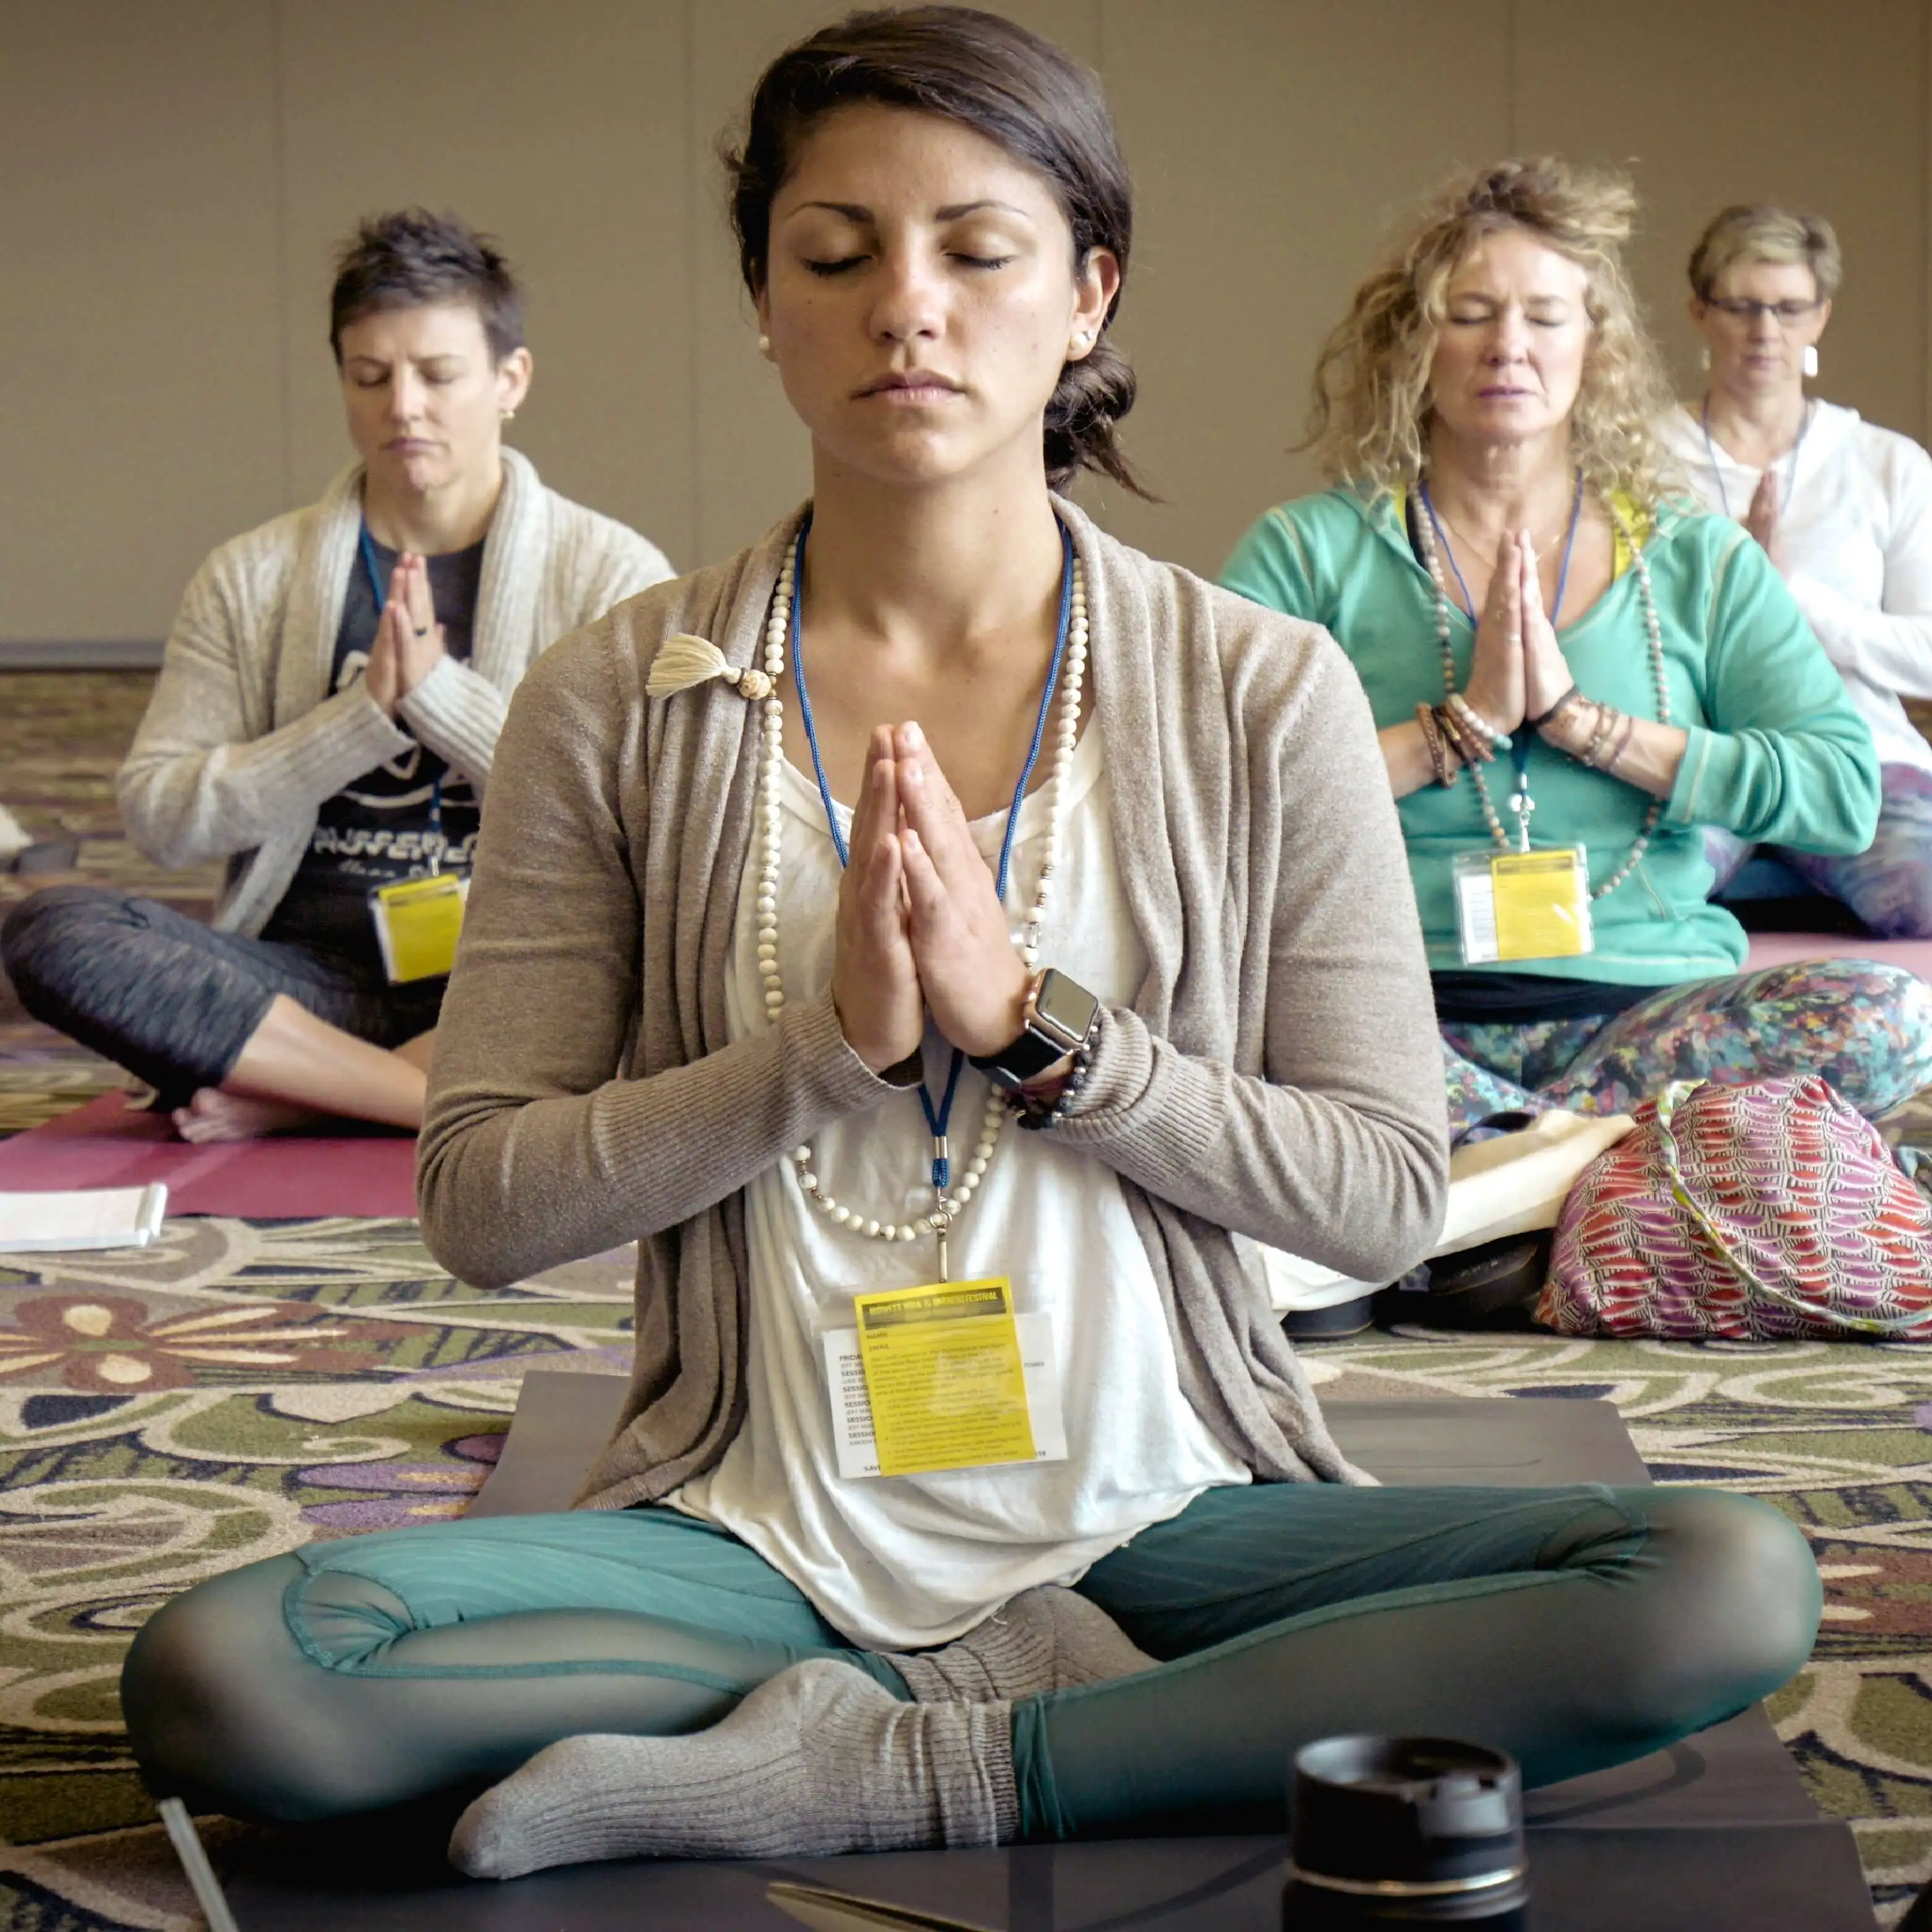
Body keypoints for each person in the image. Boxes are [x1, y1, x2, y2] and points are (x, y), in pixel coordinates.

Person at [120, 18, 1819, 1875]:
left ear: (1086, 294)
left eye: (975, 252)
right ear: (762, 302)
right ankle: (1064, 1717)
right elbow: (483, 1198)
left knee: (1717, 1581)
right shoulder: (617, 695)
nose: (901, 308)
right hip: (755, 1525)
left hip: (1159, 1511)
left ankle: (933, 1764)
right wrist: (812, 1057)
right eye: (833, 256)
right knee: (238, 1671)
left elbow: (1379, 1191)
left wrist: (1044, 1031)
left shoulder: (1256, 686)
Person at [1223, 159, 1932, 1139]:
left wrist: (1586, 729)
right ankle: (1602, 1156)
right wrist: (1454, 730)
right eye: (1469, 312)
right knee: (1211, 1031)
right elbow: (1208, 790)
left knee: (1889, 1020)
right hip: (1396, 1015)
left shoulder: (1695, 558)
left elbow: (1844, 794)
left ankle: (1501, 1155)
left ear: (1595, 345)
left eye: (1546, 316)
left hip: (1645, 1014)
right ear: (1414, 340)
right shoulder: (1311, 550)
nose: (1507, 345)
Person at [0, 211, 672, 1141]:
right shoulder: (253, 577)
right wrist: (356, 722)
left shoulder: (612, 573)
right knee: (53, 932)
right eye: (372, 377)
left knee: (679, 970)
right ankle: (405, 1098)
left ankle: (309, 1096)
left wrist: (442, 703)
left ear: (510, 380)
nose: (404, 407)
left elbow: (649, 823)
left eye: (437, 376)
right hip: (303, 988)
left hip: (514, 980)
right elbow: (160, 818)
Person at [1661, 204, 1932, 938]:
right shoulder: (1639, 460)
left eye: (1788, 309)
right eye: (1742, 307)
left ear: (1821, 316)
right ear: (1699, 311)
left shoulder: (1886, 463)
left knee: (1924, 897)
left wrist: (1794, 602)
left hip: (1860, 761)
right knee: (1635, 899)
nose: (1765, 332)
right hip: (1701, 755)